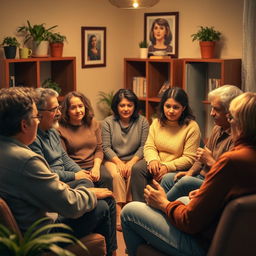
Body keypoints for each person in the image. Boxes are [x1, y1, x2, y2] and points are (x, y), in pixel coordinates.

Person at [121, 92, 256, 256]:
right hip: (231, 236)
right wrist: (202, 193)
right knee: (184, 199)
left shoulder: (231, 161)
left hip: (205, 243)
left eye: (231, 118)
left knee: (129, 211)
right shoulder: (246, 156)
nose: (228, 121)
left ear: (242, 124)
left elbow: (189, 221)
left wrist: (163, 203)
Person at [0, 87, 116, 256]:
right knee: (103, 205)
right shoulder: (26, 160)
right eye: (35, 117)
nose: (38, 121)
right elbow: (70, 206)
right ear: (24, 125)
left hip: (24, 226)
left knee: (94, 196)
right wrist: (91, 194)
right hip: (40, 237)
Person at [161, 85, 243, 201]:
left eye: (216, 109)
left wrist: (210, 161)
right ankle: (162, 213)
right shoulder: (217, 128)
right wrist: (189, 172)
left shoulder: (238, 138)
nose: (211, 113)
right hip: (202, 176)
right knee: (168, 178)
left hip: (215, 183)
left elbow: (229, 178)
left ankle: (160, 206)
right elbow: (201, 156)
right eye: (211, 108)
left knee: (185, 182)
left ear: (231, 111)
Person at [131, 87, 201, 202]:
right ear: (162, 106)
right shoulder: (156, 122)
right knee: (137, 168)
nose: (171, 111)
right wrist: (153, 160)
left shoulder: (192, 127)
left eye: (176, 107)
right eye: (167, 106)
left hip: (176, 166)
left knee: (166, 178)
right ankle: (139, 205)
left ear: (183, 108)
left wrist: (167, 167)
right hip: (157, 162)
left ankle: (160, 207)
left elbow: (189, 158)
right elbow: (149, 146)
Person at [102, 89, 149, 231]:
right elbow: (106, 147)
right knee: (116, 175)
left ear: (135, 106)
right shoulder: (107, 122)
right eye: (122, 105)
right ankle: (119, 214)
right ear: (116, 106)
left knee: (131, 173)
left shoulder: (143, 122)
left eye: (129, 105)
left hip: (135, 159)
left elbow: (143, 146)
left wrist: (131, 163)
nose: (126, 109)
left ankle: (130, 211)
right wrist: (119, 163)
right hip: (113, 159)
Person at [58, 91, 113, 191]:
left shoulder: (94, 123)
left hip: (94, 165)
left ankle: (109, 206)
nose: (78, 110)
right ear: (67, 110)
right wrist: (79, 173)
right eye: (73, 107)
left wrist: (96, 168)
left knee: (107, 178)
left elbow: (99, 149)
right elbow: (64, 157)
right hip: (74, 169)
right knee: (87, 185)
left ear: (85, 107)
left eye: (80, 106)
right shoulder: (60, 129)